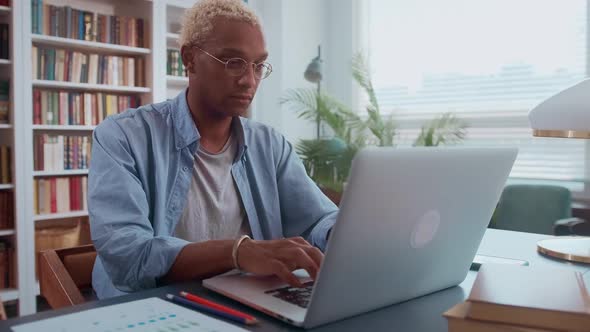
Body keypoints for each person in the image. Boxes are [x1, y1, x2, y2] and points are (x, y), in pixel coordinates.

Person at [88, 0, 338, 299]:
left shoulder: (269, 144)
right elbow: (127, 255)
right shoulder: (123, 136)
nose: (249, 80)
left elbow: (317, 220)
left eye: (258, 66)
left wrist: (348, 235)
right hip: (153, 309)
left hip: (249, 301)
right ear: (190, 59)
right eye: (233, 62)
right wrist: (237, 252)